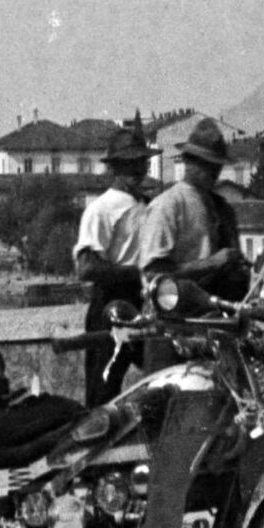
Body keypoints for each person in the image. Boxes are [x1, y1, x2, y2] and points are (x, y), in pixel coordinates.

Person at [123, 118, 253, 528]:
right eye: (200, 163)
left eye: (214, 166)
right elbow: (153, 280)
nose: (207, 172)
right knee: (171, 467)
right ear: (186, 162)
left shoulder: (223, 210)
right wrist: (214, 264)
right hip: (173, 345)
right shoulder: (167, 207)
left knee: (226, 461)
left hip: (219, 345)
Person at [73, 124, 152, 406]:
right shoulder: (100, 209)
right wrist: (136, 273)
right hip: (110, 307)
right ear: (115, 168)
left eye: (141, 163)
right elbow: (86, 268)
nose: (138, 170)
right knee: (102, 393)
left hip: (143, 306)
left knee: (161, 376)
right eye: (129, 164)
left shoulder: (149, 205)